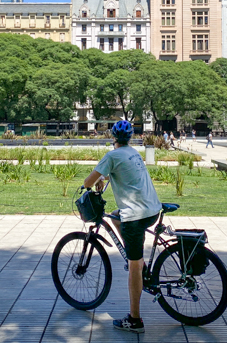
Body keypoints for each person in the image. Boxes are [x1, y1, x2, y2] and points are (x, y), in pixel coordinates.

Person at [84, 120, 162, 334]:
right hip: (151, 210)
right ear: (130, 137)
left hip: (136, 217)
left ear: (112, 138)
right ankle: (135, 259)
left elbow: (88, 182)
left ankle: (135, 320)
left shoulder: (111, 156)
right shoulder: (133, 153)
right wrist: (106, 176)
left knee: (134, 267)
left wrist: (94, 180)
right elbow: (123, 172)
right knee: (116, 216)